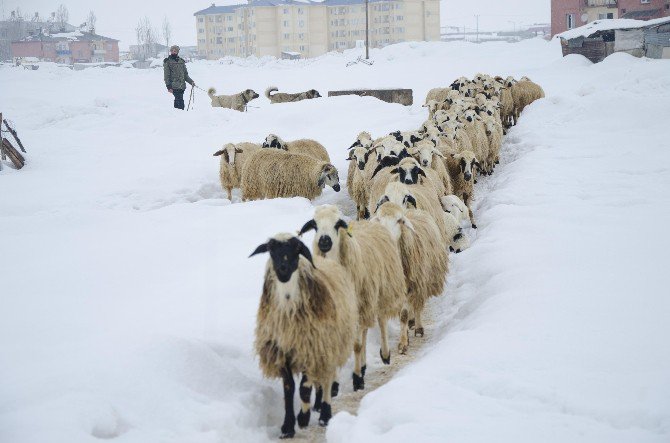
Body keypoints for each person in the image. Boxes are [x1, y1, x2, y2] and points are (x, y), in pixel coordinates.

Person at [163, 45, 195, 110]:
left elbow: (185, 75)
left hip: (182, 86)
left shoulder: (181, 61)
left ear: (177, 52)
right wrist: (168, 86)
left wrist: (191, 82)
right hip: (174, 86)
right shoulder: (168, 62)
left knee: (178, 100)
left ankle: (176, 114)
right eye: (172, 51)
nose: (173, 52)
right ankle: (181, 115)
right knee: (180, 102)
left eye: (175, 51)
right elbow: (166, 76)